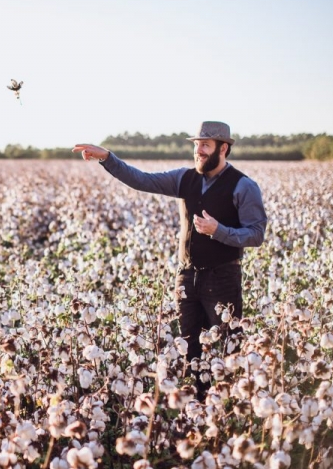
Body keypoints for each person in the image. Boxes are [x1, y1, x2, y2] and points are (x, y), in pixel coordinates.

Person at [73, 121, 267, 400]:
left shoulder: (243, 186)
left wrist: (219, 231)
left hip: (222, 279)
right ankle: (196, 410)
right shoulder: (184, 178)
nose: (198, 151)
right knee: (190, 350)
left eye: (205, 145)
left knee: (227, 350)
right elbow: (142, 180)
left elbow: (256, 234)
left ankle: (227, 411)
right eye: (196, 145)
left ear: (223, 148)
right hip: (187, 277)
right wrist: (107, 158)